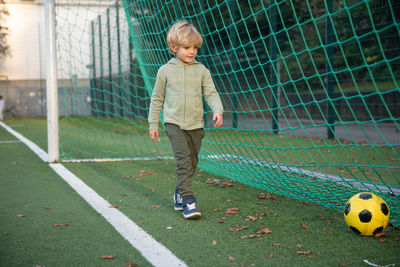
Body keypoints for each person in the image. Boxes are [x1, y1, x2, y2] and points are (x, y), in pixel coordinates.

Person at [148, 20, 224, 219]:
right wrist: (153, 123)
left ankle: (180, 191)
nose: (192, 51)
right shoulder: (164, 71)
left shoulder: (202, 71)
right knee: (183, 162)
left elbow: (211, 93)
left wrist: (217, 109)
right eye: (186, 47)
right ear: (174, 47)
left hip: (196, 126)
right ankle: (189, 201)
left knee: (191, 163)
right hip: (174, 125)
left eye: (195, 48)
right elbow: (157, 98)